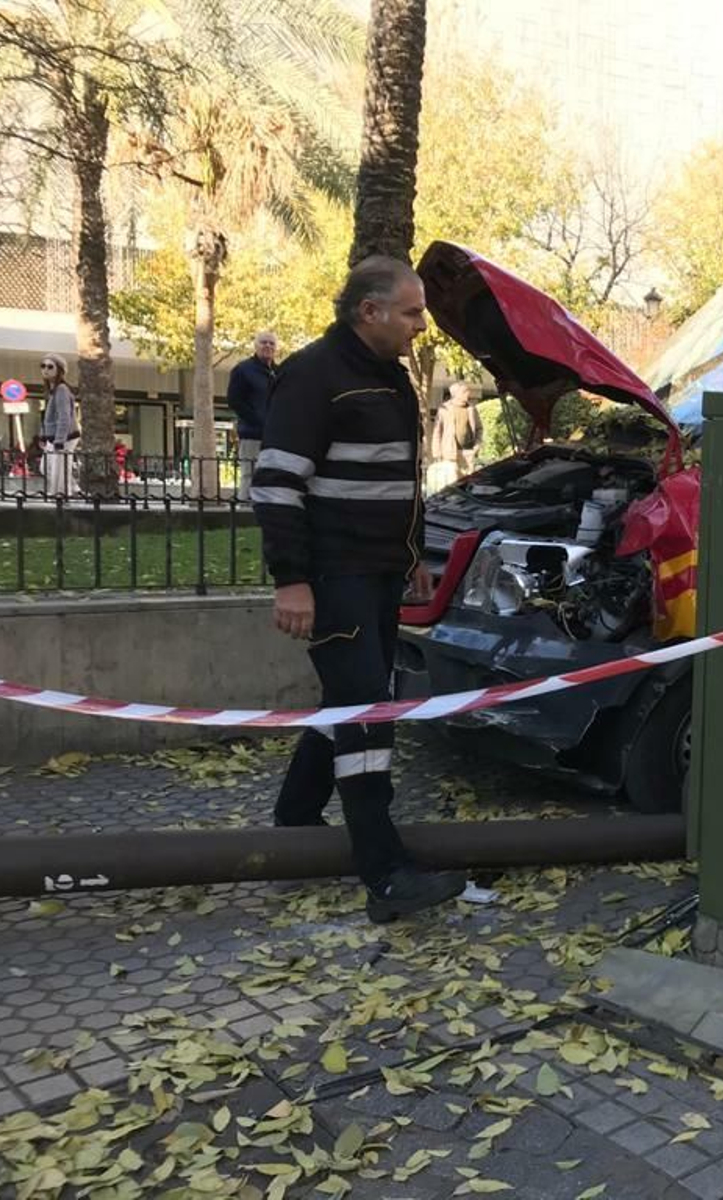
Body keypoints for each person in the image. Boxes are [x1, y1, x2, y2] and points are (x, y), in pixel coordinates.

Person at [252, 256, 463, 924]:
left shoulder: (393, 380)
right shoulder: (314, 375)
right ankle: (385, 874)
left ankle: (295, 817)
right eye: (411, 312)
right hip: (332, 578)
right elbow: (277, 484)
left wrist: (412, 559)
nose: (420, 325)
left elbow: (402, 481)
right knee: (368, 715)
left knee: (352, 700)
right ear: (368, 311)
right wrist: (292, 582)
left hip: (377, 576)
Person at [228, 332, 278, 502]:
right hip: (252, 434)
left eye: (271, 343)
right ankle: (245, 512)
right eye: (263, 342)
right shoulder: (243, 370)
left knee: (272, 476)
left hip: (275, 435)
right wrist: (257, 421)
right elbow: (235, 400)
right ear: (256, 346)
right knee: (250, 474)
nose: (268, 346)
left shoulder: (278, 373)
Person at [427, 380, 483, 492]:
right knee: (452, 484)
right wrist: (436, 452)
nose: (468, 394)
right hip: (450, 452)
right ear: (456, 394)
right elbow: (437, 431)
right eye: (464, 392)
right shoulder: (445, 409)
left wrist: (477, 444)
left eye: (467, 391)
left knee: (468, 483)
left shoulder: (471, 408)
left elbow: (479, 429)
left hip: (468, 451)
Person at [37, 355, 77, 496]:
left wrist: (59, 440)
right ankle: (74, 489)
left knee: (57, 471)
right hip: (53, 437)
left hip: (64, 438)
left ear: (59, 370)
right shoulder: (51, 390)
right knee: (46, 467)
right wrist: (43, 435)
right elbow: (48, 417)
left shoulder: (61, 389)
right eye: (43, 366)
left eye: (50, 366)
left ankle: (59, 498)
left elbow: (64, 417)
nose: (45, 369)